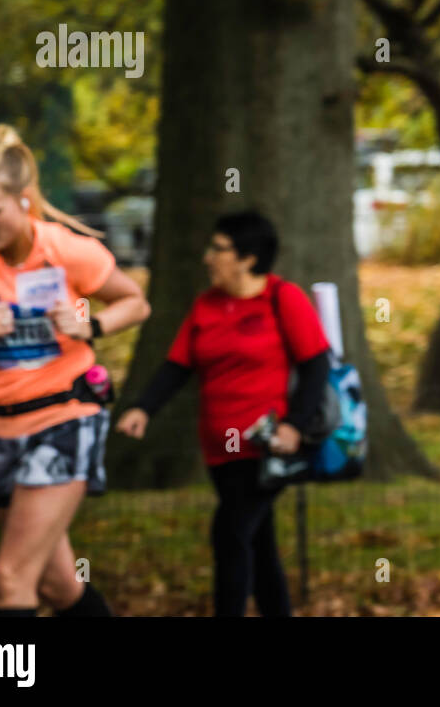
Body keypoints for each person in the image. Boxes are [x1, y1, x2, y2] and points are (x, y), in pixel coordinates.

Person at [0, 125, 149, 616]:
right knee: (58, 586)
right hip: (0, 427)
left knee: (11, 581)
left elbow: (136, 303)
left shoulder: (66, 249)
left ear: (24, 199)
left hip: (65, 416)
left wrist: (88, 323)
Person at [117, 210, 329, 617]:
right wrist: (144, 408)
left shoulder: (282, 298)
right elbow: (178, 365)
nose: (208, 257)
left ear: (248, 257)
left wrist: (294, 426)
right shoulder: (206, 306)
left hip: (266, 448)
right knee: (257, 544)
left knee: (229, 534)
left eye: (218, 249)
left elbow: (316, 364)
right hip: (219, 451)